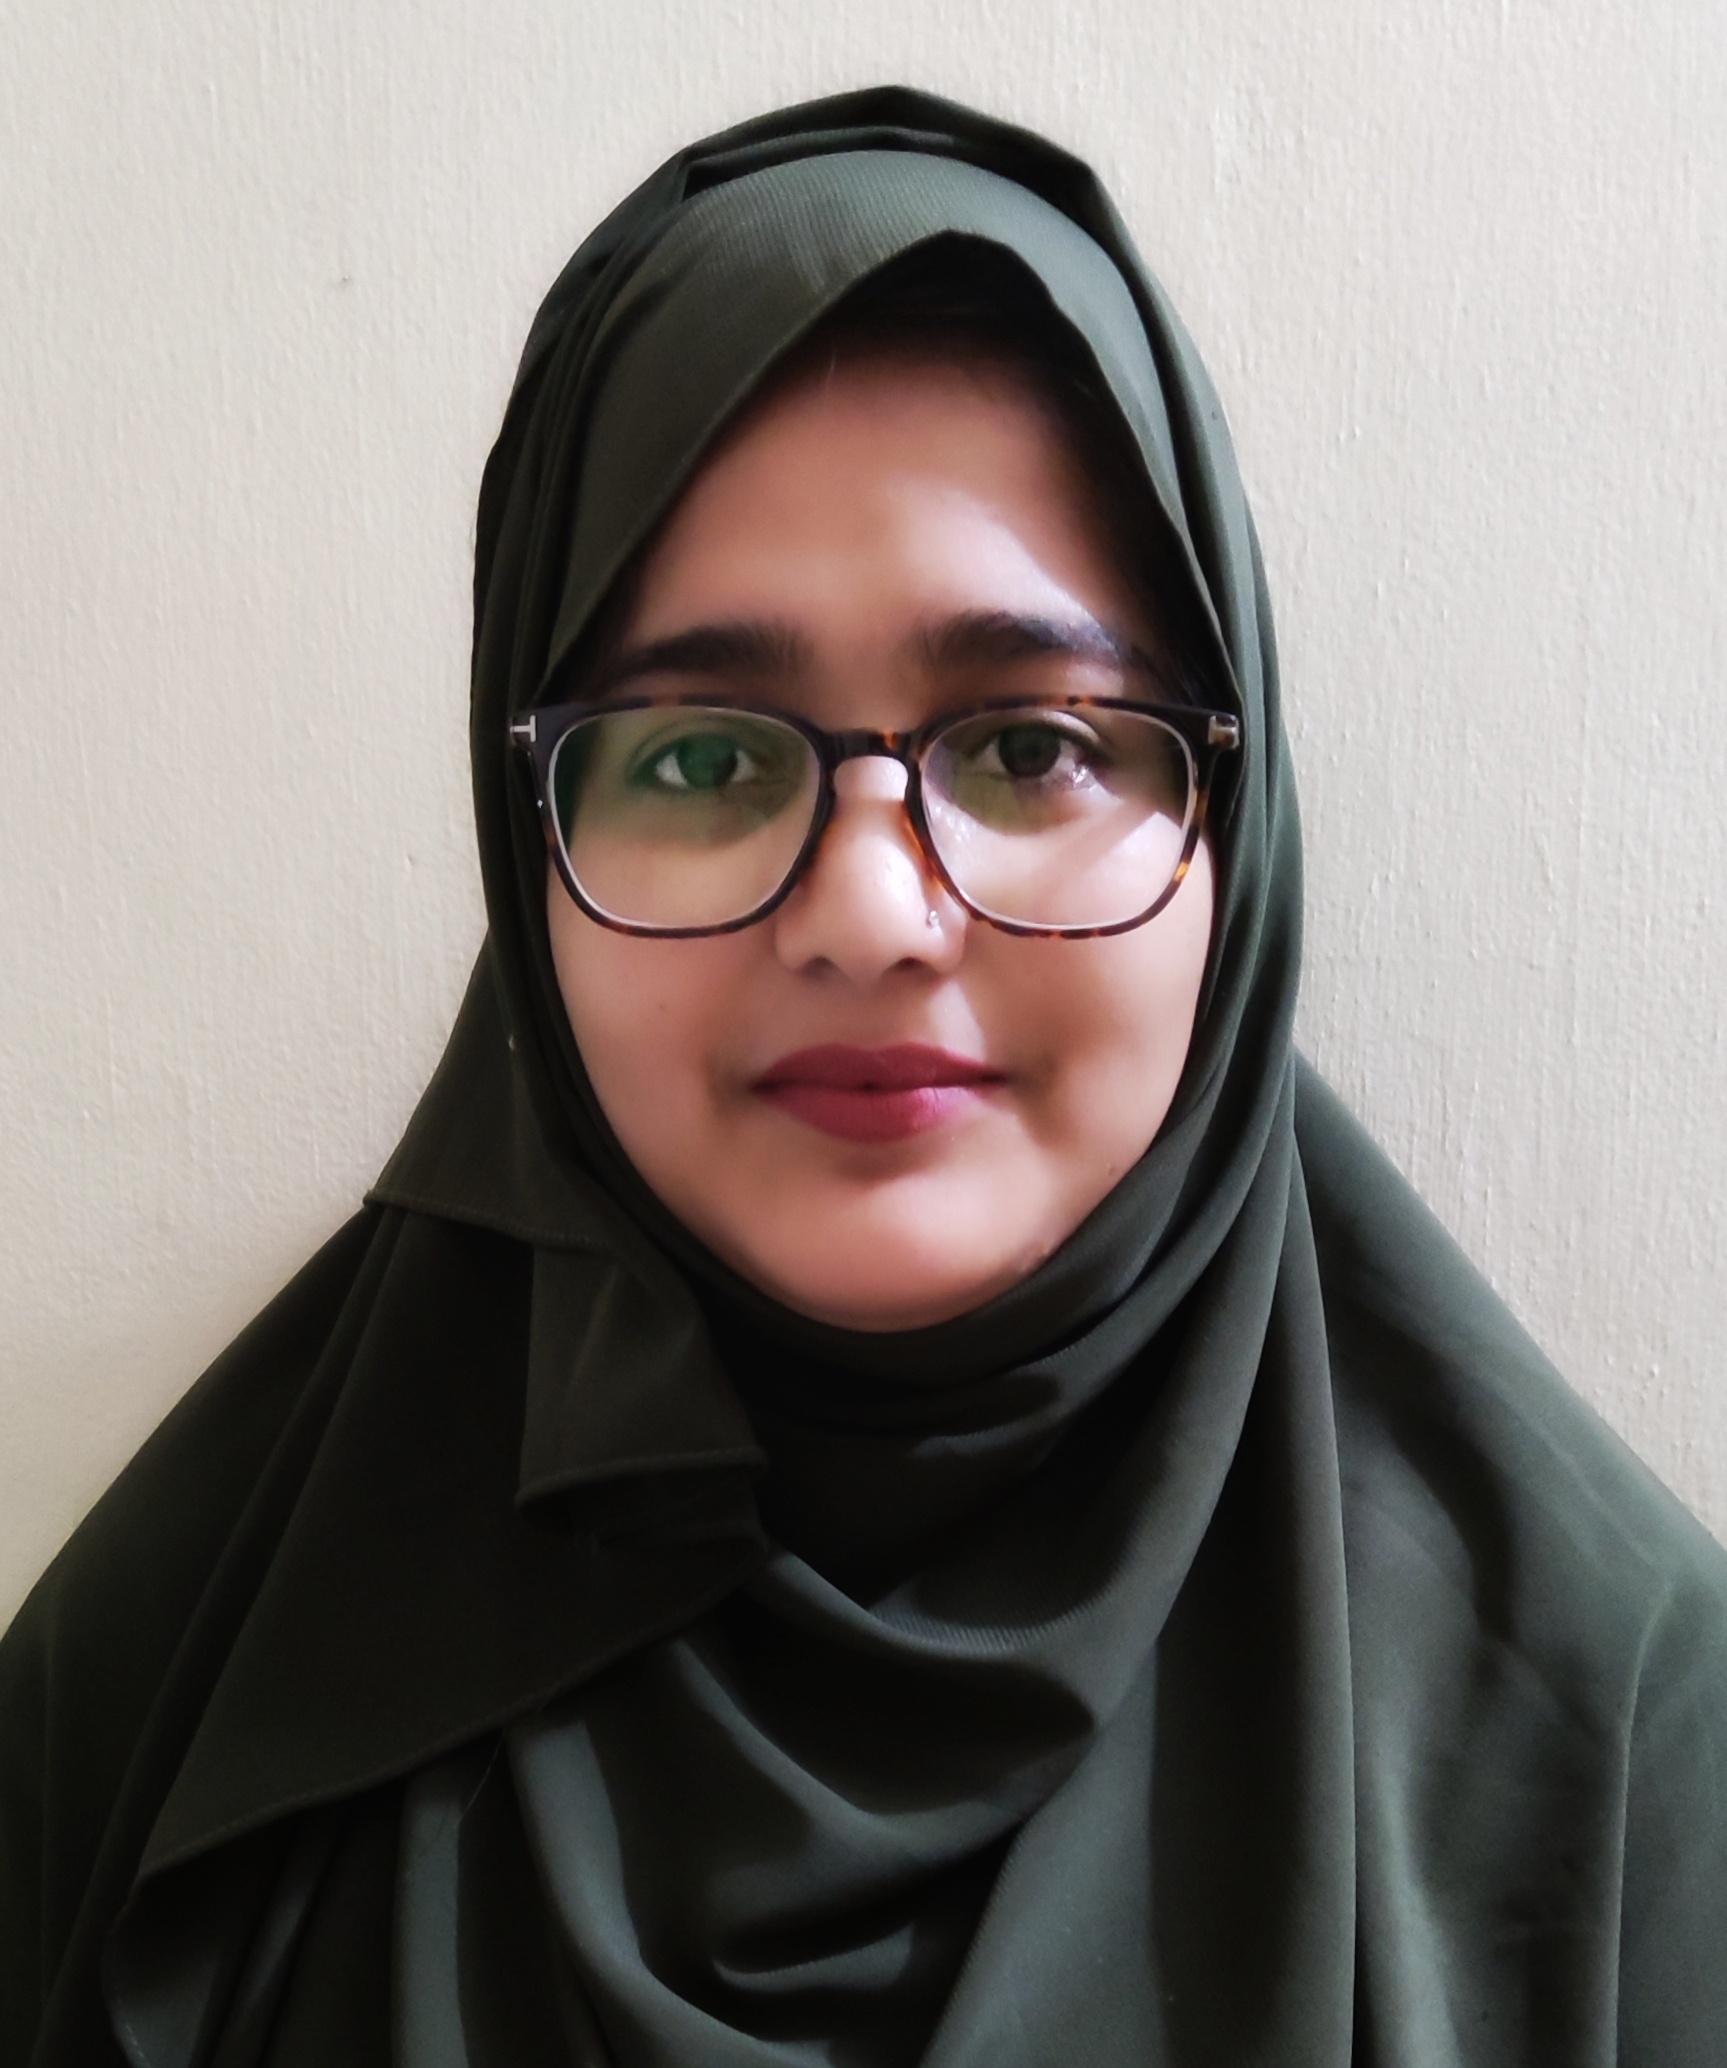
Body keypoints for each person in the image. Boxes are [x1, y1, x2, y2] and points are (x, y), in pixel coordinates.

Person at [3, 86, 1725, 2068]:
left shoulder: (1621, 1761)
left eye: (1036, 745)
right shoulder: (161, 1735)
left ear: (1231, 837)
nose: (872, 914)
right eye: (697, 754)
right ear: (523, 840)